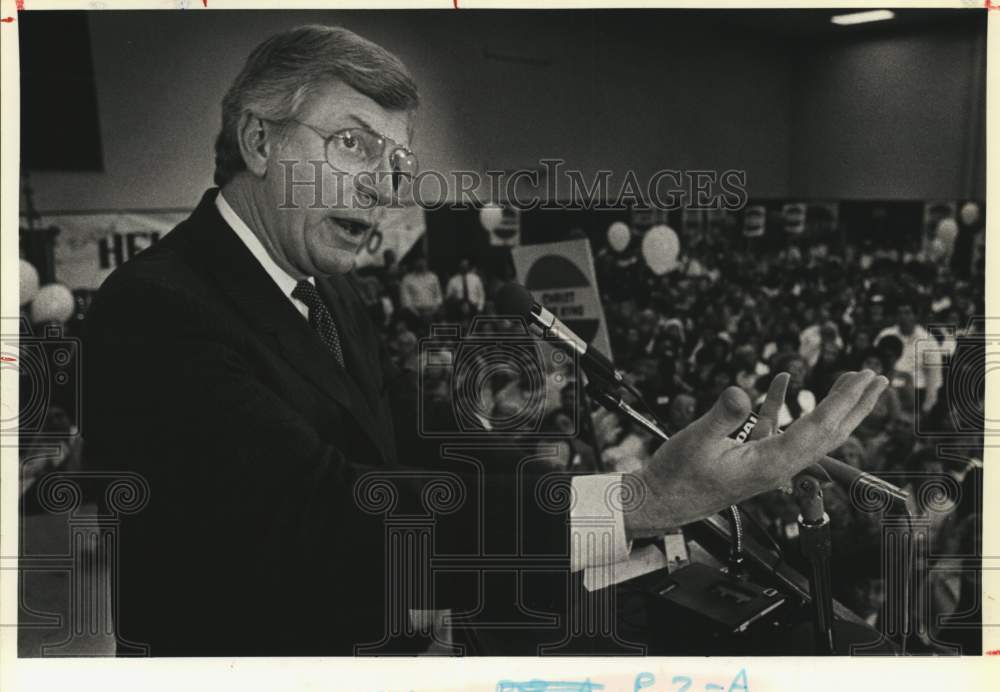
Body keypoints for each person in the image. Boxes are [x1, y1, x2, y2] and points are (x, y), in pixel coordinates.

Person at [83, 24, 887, 656]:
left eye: (397, 159)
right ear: (259, 142)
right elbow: (334, 524)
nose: (384, 183)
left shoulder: (330, 292)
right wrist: (641, 499)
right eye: (354, 142)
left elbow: (425, 451)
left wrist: (628, 491)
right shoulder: (155, 311)